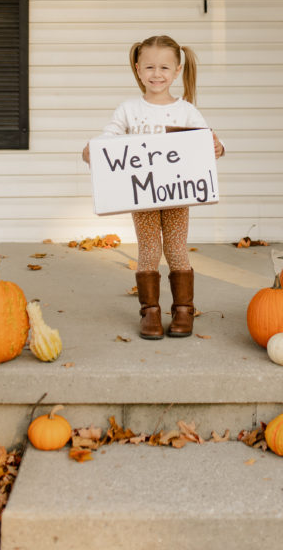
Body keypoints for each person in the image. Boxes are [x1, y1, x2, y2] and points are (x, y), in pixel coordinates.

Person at [82, 34, 224, 340]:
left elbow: (209, 141)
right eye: (149, 67)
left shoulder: (186, 111)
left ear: (176, 70)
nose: (156, 74)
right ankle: (150, 312)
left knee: (175, 249)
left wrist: (217, 146)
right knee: (149, 250)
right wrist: (94, 149)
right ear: (137, 68)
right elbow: (110, 137)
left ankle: (183, 310)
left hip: (176, 195)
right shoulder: (129, 110)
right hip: (142, 195)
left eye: (163, 68)